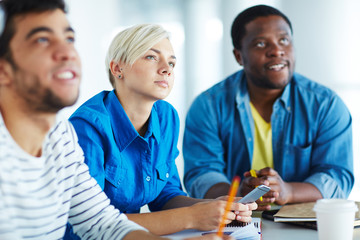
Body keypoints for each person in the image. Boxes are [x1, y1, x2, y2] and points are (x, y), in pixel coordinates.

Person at [0, 1, 231, 240]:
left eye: (69, 39)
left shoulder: (60, 137)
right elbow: (80, 231)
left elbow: (102, 223)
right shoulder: (84, 128)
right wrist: (191, 217)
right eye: (42, 40)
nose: (67, 52)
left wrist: (208, 210)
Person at [65, 24, 257, 239]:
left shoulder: (166, 116)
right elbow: (92, 223)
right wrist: (192, 216)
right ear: (118, 68)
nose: (167, 68)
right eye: (151, 57)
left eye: (172, 62)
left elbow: (165, 195)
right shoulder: (87, 128)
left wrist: (214, 207)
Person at [183, 4, 354, 211]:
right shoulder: (208, 106)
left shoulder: (326, 105)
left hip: (303, 225)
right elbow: (201, 175)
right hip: (233, 223)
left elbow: (337, 177)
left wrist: (287, 191)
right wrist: (238, 194)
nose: (276, 51)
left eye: (283, 40)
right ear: (239, 56)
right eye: (261, 43)